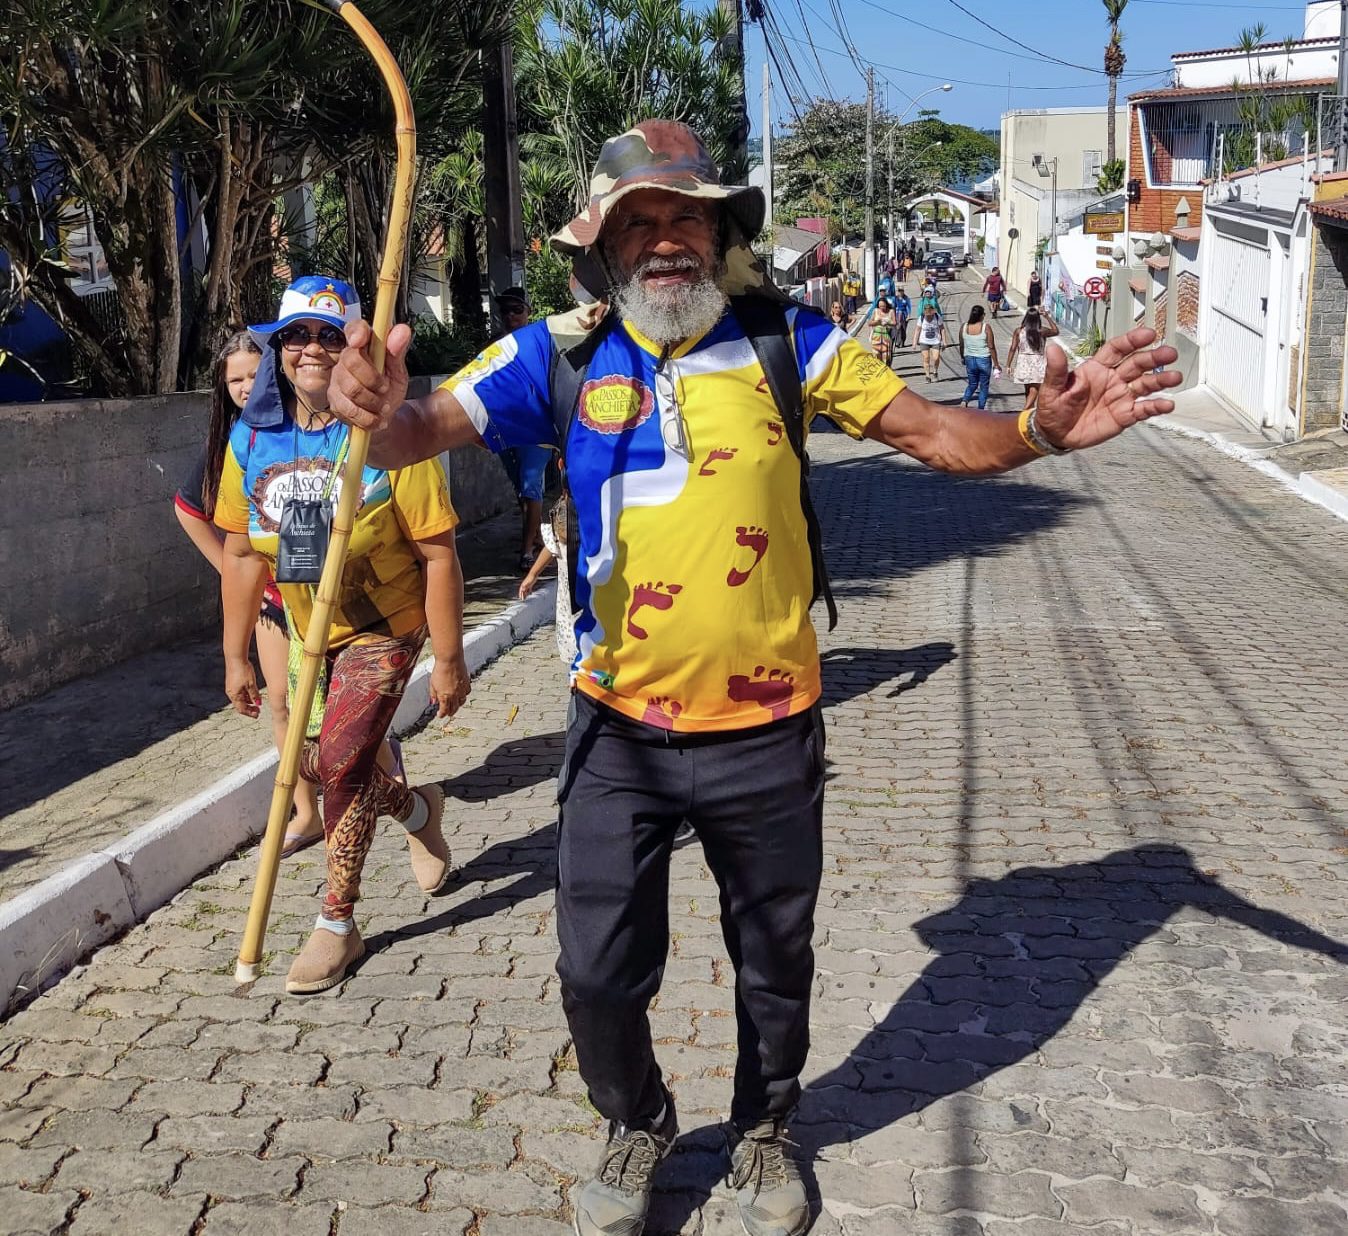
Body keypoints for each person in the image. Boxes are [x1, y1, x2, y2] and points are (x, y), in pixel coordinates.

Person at [328, 120, 1180, 1236]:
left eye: (689, 216)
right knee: (594, 967)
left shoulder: (794, 343)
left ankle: (767, 1134)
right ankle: (635, 1123)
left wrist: (1038, 430)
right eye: (640, 221)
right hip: (613, 725)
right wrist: (374, 406)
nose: (667, 239)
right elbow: (421, 427)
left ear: (723, 235)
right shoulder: (562, 353)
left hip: (767, 727)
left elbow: (932, 433)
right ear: (603, 247)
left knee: (773, 960)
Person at [215, 275, 471, 996]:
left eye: (331, 335)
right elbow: (239, 552)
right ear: (277, 350)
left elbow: (439, 551)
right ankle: (420, 811)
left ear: (355, 345)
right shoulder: (254, 439)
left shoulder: (386, 440)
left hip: (385, 626)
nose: (311, 349)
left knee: (342, 755)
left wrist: (449, 658)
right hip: (306, 628)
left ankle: (337, 922)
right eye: (296, 335)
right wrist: (236, 654)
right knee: (320, 765)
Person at [174, 333, 323, 855]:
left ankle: (394, 793)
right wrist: (240, 580)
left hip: (331, 597)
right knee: (282, 705)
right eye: (233, 378)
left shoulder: (315, 424)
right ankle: (306, 812)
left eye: (253, 375)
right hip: (274, 609)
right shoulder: (236, 442)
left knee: (345, 713)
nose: (245, 387)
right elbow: (189, 510)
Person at [494, 287, 550, 571]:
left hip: (536, 425)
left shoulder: (539, 341)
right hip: (505, 426)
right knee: (521, 487)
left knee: (531, 487)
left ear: (528, 312)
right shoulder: (494, 348)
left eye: (517, 310)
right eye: (505, 310)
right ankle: (537, 537)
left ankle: (527, 549)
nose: (511, 316)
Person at [517, 498, 577, 666]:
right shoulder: (561, 528)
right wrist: (532, 574)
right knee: (573, 657)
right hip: (569, 610)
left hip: (593, 604)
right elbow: (552, 546)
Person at [1007, 308, 1061, 412]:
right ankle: (1025, 411)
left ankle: (1028, 412)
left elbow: (1013, 348)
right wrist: (1047, 317)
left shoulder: (1019, 331)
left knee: (1028, 390)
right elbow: (1056, 331)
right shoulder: (1042, 331)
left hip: (1023, 361)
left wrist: (1008, 365)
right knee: (1035, 389)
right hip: (1038, 362)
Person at [959, 303, 1000, 410]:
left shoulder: (964, 327)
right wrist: (996, 364)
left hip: (969, 358)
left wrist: (963, 357)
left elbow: (961, 344)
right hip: (983, 359)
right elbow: (991, 346)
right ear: (981, 316)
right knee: (984, 386)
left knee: (972, 383)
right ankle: (980, 409)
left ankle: (965, 400)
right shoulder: (986, 327)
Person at [914, 301, 949, 381]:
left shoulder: (937, 317)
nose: (929, 316)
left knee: (936, 358)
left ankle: (935, 372)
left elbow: (942, 329)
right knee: (926, 358)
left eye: (930, 315)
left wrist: (944, 341)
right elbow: (917, 330)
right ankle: (927, 375)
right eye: (927, 315)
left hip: (935, 340)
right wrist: (914, 343)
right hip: (924, 340)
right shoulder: (921, 317)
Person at [871, 295, 897, 367]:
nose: (881, 308)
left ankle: (886, 372)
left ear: (886, 304)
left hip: (886, 336)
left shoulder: (891, 311)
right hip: (876, 336)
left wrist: (888, 323)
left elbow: (895, 323)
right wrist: (877, 322)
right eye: (880, 306)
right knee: (876, 355)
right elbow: (869, 323)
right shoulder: (875, 311)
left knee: (886, 356)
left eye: (883, 306)